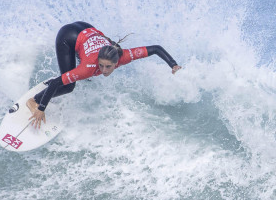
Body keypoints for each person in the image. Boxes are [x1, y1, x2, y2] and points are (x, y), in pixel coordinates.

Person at [26, 21, 181, 128]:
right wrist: (41, 108)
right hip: (68, 36)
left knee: (85, 75)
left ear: (117, 62)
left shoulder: (124, 55)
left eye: (108, 67)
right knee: (69, 86)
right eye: (101, 66)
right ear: (97, 60)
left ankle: (72, 72)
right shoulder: (88, 67)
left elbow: (156, 49)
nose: (104, 70)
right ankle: (34, 100)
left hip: (86, 29)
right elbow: (55, 83)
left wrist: (173, 65)